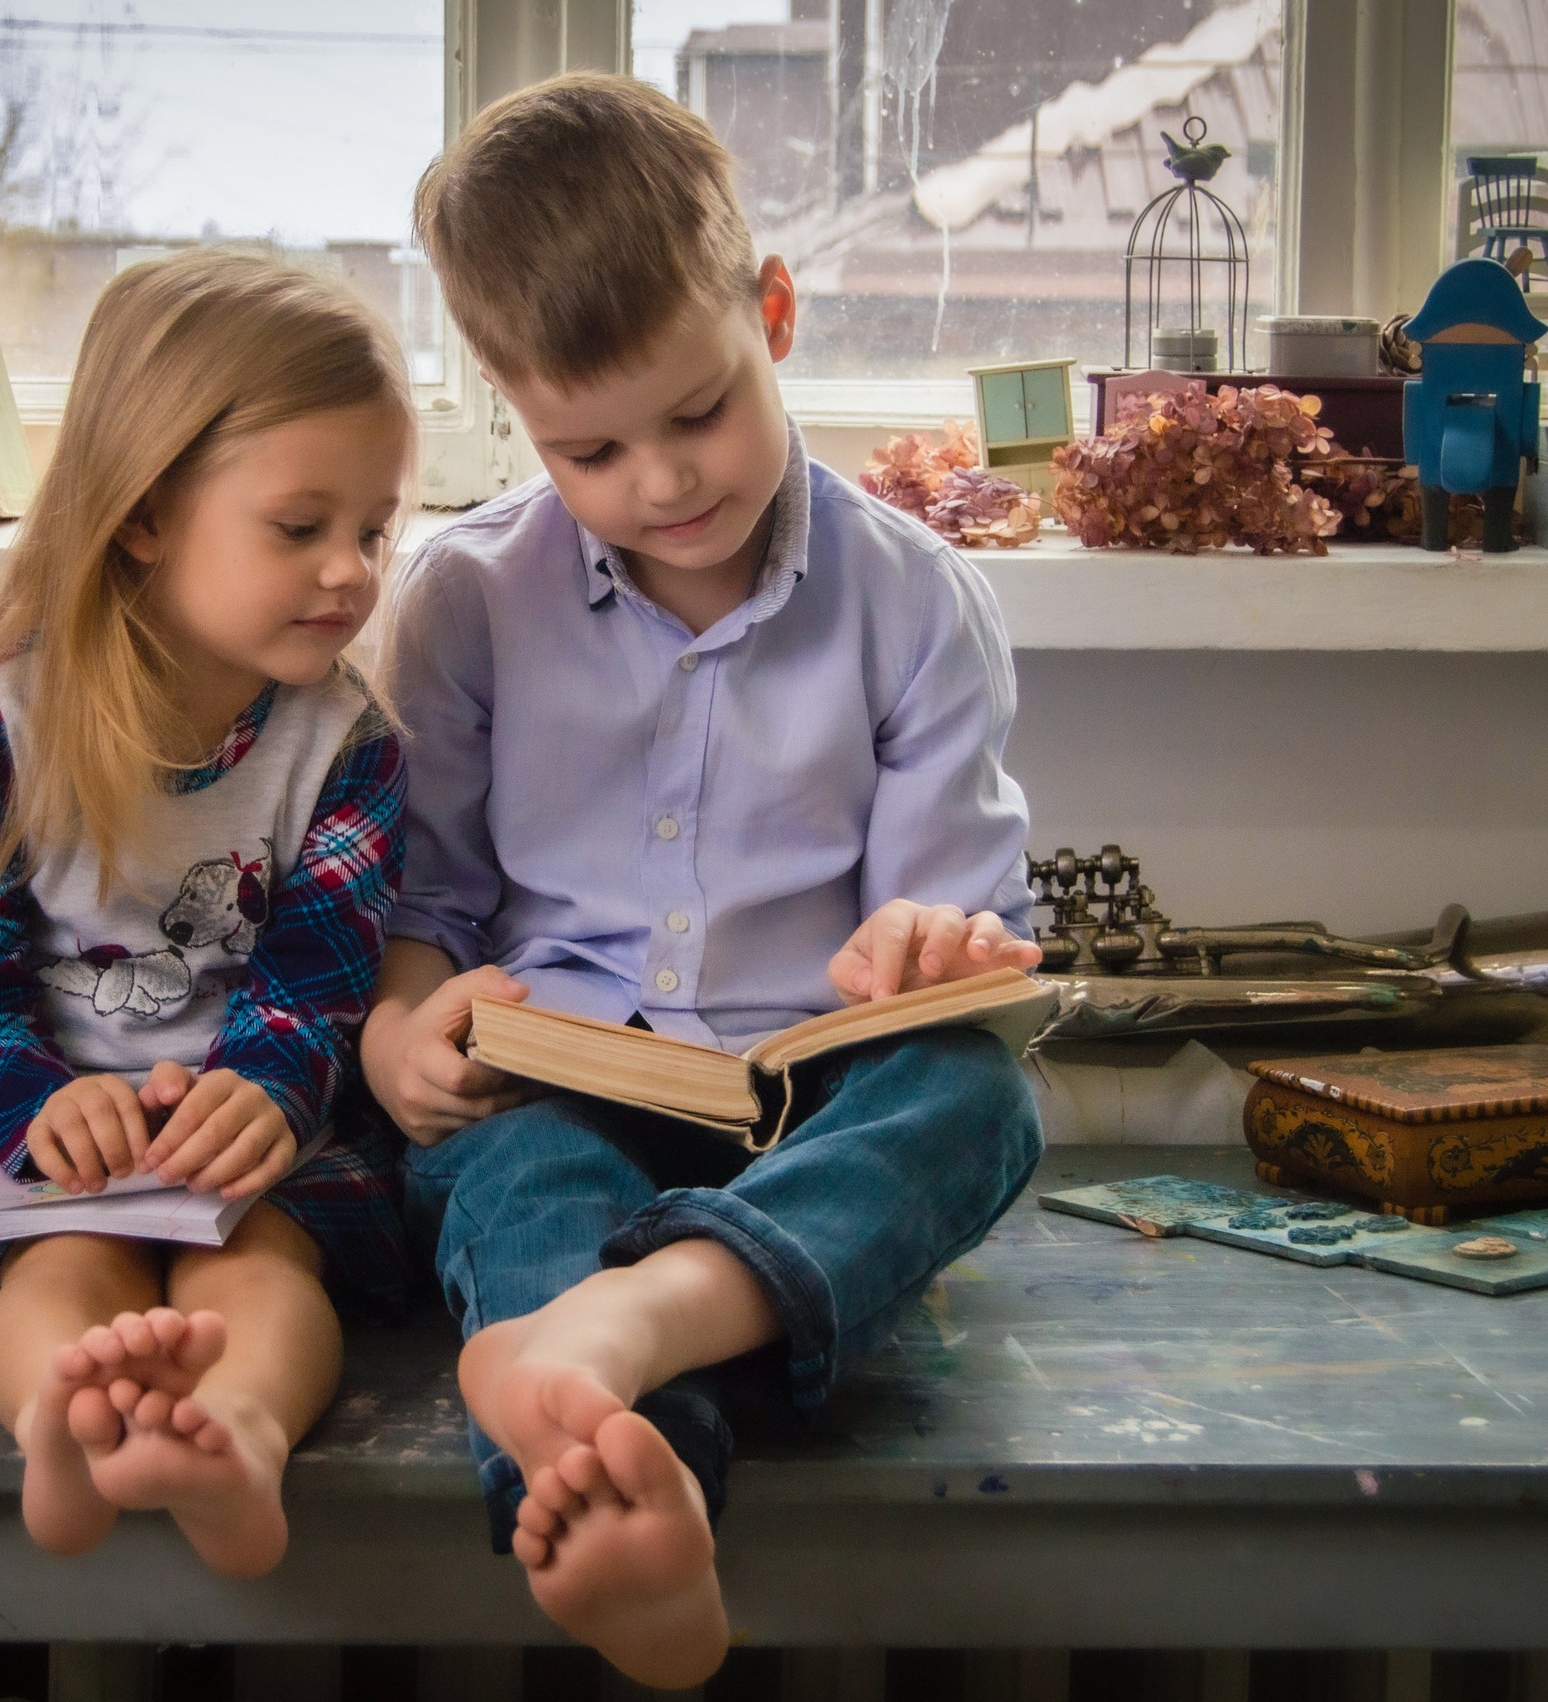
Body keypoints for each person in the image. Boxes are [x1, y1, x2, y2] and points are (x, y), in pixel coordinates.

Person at [363, 74, 1048, 1687]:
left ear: (776, 313)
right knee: (520, 1193)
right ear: (517, 413)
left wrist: (925, 951)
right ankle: (633, 1483)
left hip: (804, 1108)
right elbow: (430, 909)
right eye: (588, 449)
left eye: (699, 412)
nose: (662, 483)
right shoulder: (464, 600)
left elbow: (964, 938)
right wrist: (402, 1032)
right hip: (563, 1087)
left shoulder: (915, 599)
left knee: (980, 1102)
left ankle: (631, 1331)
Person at [0, 249, 416, 1581]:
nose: (351, 573)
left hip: (257, 1148)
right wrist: (33, 1107)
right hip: (55, 1139)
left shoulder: (345, 741)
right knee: (59, 1276)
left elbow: (318, 984)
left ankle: (234, 1438)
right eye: (299, 526)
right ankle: (62, 1432)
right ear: (145, 514)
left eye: (374, 530)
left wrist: (263, 1094)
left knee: (261, 1273)